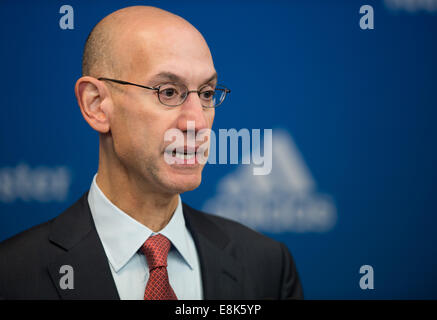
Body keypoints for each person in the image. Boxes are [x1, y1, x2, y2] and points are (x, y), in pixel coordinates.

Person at [0, 6, 303, 300]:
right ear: (96, 105)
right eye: (168, 92)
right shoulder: (12, 275)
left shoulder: (268, 267)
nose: (197, 122)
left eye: (207, 94)